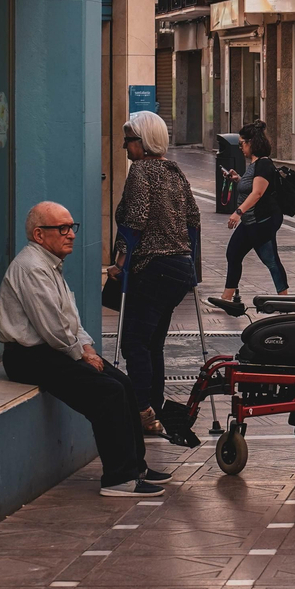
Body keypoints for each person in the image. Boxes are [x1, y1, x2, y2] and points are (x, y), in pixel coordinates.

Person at [0, 201, 168, 497]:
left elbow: (70, 321)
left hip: (54, 350)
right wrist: (82, 354)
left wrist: (86, 348)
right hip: (28, 357)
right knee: (107, 393)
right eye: (62, 228)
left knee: (123, 383)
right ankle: (119, 479)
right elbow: (53, 329)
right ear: (39, 234)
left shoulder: (50, 265)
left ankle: (136, 468)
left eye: (71, 227)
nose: (71, 234)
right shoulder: (32, 269)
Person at [111, 110, 201, 436]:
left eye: (129, 140)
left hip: (153, 268)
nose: (124, 146)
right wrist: (187, 255)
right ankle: (156, 407)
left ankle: (141, 410)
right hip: (180, 269)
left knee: (134, 343)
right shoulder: (174, 170)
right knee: (154, 343)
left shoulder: (141, 171)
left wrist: (119, 263)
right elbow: (194, 218)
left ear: (144, 142)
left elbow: (134, 221)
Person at [206, 120, 289, 316]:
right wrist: (238, 179)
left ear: (252, 143)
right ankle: (227, 299)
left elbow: (257, 193)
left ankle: (286, 300)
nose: (240, 147)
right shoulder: (255, 165)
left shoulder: (264, 164)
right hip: (251, 221)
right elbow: (252, 186)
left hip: (261, 222)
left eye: (241, 143)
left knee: (270, 259)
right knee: (233, 253)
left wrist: (238, 212)